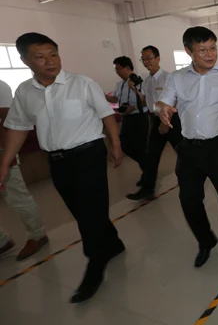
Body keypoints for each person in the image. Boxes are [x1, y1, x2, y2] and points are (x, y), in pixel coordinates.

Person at [0, 32, 125, 303]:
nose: (50, 61)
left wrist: (115, 145)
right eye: (40, 57)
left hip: (89, 155)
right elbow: (17, 128)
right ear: (25, 60)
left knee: (90, 214)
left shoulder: (82, 83)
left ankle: (95, 265)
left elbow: (106, 114)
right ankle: (113, 242)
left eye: (53, 54)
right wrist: (4, 163)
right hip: (57, 161)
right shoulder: (24, 92)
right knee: (82, 211)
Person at [156, 26, 218, 268]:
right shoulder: (177, 78)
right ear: (188, 51)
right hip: (189, 149)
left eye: (213, 48)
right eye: (202, 50)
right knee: (189, 199)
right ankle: (206, 240)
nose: (209, 54)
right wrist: (161, 108)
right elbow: (163, 101)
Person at [0, 79, 48, 261]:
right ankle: (2, 241)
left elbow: (8, 122)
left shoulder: (0, 86)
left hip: (1, 153)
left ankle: (38, 235)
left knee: (16, 197)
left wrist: (6, 154)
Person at [126, 46, 182, 201]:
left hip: (170, 118)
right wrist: (135, 90)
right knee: (151, 155)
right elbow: (146, 101)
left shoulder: (168, 77)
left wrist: (166, 121)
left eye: (149, 58)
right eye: (143, 59)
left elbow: (175, 100)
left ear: (158, 58)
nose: (146, 62)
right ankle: (147, 189)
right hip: (155, 119)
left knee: (182, 152)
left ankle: (193, 179)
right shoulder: (147, 80)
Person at [105, 56, 149, 186]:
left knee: (140, 147)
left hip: (139, 118)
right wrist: (103, 96)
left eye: (119, 69)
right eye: (115, 69)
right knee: (125, 145)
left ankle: (147, 173)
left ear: (128, 68)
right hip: (126, 118)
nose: (117, 72)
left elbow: (146, 101)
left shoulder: (140, 81)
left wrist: (133, 107)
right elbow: (115, 99)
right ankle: (149, 167)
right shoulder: (119, 84)